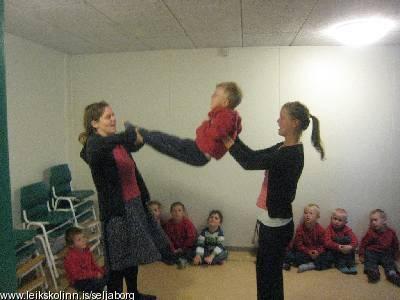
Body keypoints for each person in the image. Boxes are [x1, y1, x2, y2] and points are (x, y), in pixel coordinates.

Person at [223, 101, 325, 300]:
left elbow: (249, 162)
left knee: (268, 277)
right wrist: (234, 136)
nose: (278, 120)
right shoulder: (283, 148)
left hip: (276, 228)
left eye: (282, 117)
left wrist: (226, 140)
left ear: (294, 123)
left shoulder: (291, 155)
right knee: (266, 274)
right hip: (272, 223)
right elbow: (253, 155)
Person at [79, 101, 170, 299]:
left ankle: (134, 293)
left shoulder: (115, 142)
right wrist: (127, 135)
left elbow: (134, 144)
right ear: (94, 123)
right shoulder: (94, 145)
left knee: (133, 254)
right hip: (117, 210)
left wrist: (140, 137)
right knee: (118, 261)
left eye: (113, 115)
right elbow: (95, 151)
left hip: (134, 203)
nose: (113, 119)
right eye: (108, 116)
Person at [130, 82, 242, 166]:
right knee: (167, 140)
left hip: (199, 154)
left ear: (225, 102)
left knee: (167, 146)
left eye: (215, 95)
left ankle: (139, 134)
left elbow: (217, 132)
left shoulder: (226, 116)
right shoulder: (225, 116)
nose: (212, 97)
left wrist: (204, 127)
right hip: (197, 149)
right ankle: (141, 132)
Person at [283, 204, 331, 272]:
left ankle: (312, 265)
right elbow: (298, 245)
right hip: (304, 253)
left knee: (330, 255)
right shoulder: (300, 229)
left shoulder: (321, 230)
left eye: (311, 213)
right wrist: (308, 251)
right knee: (291, 254)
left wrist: (317, 251)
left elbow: (323, 245)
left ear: (317, 217)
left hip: (317, 254)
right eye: (305, 213)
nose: (307, 215)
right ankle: (312, 264)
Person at [359, 209, 400, 286]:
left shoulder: (391, 232)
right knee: (370, 260)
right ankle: (373, 272)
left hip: (386, 252)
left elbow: (395, 244)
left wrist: (396, 254)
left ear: (384, 220)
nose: (373, 222)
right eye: (371, 221)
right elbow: (363, 244)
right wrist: (361, 254)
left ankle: (392, 274)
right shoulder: (370, 232)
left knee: (390, 262)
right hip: (373, 252)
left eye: (375, 220)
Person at [64, 227, 106, 293]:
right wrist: (95, 274)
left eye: (83, 237)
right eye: (79, 240)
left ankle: (103, 288)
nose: (83, 240)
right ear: (71, 245)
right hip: (78, 281)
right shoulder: (69, 258)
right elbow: (78, 275)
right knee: (97, 282)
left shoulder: (86, 249)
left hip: (89, 275)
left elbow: (93, 264)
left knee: (107, 270)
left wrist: (101, 272)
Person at [162, 202, 197, 268]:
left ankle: (180, 259)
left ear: (183, 212)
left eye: (179, 210)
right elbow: (167, 238)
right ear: (171, 213)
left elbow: (191, 238)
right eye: (174, 211)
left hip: (185, 248)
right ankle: (177, 259)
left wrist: (182, 248)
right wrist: (173, 249)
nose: (177, 213)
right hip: (174, 248)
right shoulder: (168, 224)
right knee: (165, 252)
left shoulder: (187, 223)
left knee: (192, 252)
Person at [324, 208, 358, 275]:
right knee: (337, 242)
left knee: (347, 240)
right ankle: (340, 264)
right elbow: (326, 242)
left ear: (345, 222)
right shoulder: (329, 229)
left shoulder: (347, 229)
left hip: (346, 250)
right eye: (335, 219)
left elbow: (355, 241)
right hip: (335, 251)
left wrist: (350, 247)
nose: (336, 221)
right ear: (331, 219)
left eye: (340, 220)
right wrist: (339, 247)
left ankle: (351, 263)